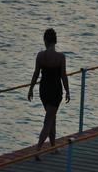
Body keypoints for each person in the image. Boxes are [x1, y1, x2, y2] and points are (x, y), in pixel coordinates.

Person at [28, 28, 70, 159]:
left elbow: (36, 73)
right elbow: (63, 76)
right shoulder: (60, 57)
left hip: (44, 91)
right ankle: (38, 150)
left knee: (52, 118)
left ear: (45, 41)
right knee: (48, 121)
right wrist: (68, 91)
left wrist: (31, 89)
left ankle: (53, 147)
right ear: (55, 41)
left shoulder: (40, 56)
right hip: (55, 91)